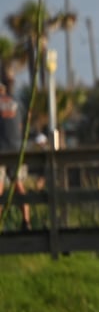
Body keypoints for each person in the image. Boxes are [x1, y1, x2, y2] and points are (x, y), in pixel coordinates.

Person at [0, 84, 30, 230]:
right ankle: (26, 221)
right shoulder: (16, 103)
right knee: (19, 185)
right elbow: (20, 125)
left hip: (1, 149)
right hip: (17, 149)